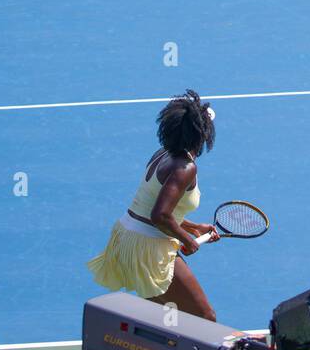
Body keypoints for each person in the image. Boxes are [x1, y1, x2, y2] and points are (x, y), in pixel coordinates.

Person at [86, 91, 220, 320]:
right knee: (205, 318)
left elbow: (152, 209)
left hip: (127, 239)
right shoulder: (185, 168)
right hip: (148, 248)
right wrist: (188, 240)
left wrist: (193, 227)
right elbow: (160, 216)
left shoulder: (161, 154)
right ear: (201, 134)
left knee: (167, 318)